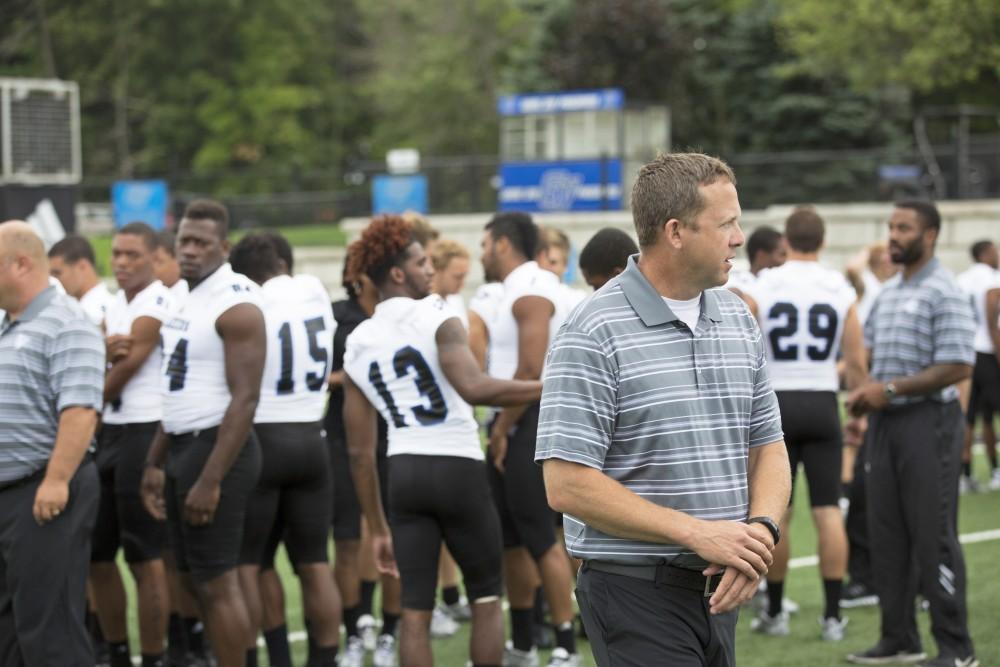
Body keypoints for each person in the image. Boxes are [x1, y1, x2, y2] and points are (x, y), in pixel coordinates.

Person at [536, 153, 791, 667]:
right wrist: (698, 532)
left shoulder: (736, 316)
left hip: (720, 588)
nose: (739, 237)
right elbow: (565, 483)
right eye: (726, 224)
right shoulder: (592, 330)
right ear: (676, 232)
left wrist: (758, 534)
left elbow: (767, 444)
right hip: (634, 592)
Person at [341, 214, 542, 667]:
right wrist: (552, 385)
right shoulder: (436, 312)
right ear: (397, 272)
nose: (429, 269)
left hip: (404, 470)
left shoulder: (359, 340)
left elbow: (358, 453)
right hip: (456, 465)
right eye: (419, 261)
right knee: (487, 597)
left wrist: (376, 526)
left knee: (414, 608)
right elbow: (474, 388)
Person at [845, 201, 978, 667]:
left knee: (932, 536)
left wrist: (890, 389)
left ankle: (957, 649)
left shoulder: (946, 290)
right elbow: (879, 359)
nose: (894, 236)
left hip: (929, 424)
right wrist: (865, 396)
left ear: (931, 235)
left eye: (904, 228)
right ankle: (899, 637)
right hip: (886, 426)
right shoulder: (891, 291)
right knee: (887, 534)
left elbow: (959, 364)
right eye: (891, 227)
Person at [138, 200, 266, 667]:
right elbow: (176, 387)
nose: (189, 251)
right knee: (191, 579)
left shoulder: (236, 301)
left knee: (217, 582)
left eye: (200, 243)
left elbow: (245, 399)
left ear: (223, 247)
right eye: (184, 241)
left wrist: (212, 478)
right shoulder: (182, 295)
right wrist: (155, 460)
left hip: (217, 448)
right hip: (181, 444)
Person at [743, 207, 866, 641]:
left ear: (787, 241)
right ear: (824, 240)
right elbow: (855, 360)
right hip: (820, 400)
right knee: (828, 510)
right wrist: (858, 409)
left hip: (776, 402)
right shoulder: (838, 286)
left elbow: (743, 337)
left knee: (778, 513)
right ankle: (832, 617)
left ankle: (774, 611)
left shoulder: (763, 283)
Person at [0, 221, 104, 666]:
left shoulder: (66, 322)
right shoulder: (8, 324)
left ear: (20, 264)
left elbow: (80, 410)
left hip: (44, 491)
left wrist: (57, 480)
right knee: (11, 629)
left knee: (50, 629)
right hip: (12, 493)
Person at [479, 212, 580, 667]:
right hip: (517, 418)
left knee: (540, 537)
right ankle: (522, 642)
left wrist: (502, 428)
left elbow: (529, 368)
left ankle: (564, 642)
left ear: (502, 244)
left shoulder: (532, 287)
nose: (481, 253)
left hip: (531, 419)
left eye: (485, 244)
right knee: (511, 540)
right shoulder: (516, 288)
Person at [91, 222, 174, 667]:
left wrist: (86, 393)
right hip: (110, 430)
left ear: (154, 257)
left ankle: (156, 655)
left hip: (144, 429)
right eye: (117, 254)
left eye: (132, 255)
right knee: (97, 554)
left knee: (145, 554)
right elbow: (102, 353)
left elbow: (129, 363)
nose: (121, 262)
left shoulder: (159, 298)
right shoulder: (113, 303)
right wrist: (99, 351)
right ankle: (117, 651)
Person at [324, 249, 393, 667]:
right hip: (342, 439)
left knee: (392, 538)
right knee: (347, 540)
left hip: (394, 437)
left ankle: (388, 631)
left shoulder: (399, 316)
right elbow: (315, 374)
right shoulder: (334, 316)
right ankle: (353, 630)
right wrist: (352, 373)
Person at [955, 240, 1000, 492]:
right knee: (991, 415)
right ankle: (995, 470)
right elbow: (992, 319)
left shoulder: (962, 279)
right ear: (984, 254)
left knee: (969, 417)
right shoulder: (991, 278)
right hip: (987, 351)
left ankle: (966, 474)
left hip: (967, 353)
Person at [48, 234, 115, 326]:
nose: (52, 280)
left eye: (57, 273)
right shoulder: (72, 308)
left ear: (83, 267)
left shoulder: (99, 313)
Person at [726, 225, 786, 295]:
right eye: (782, 254)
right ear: (761, 256)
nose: (787, 260)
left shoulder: (786, 284)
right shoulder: (733, 286)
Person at [152, 229, 190, 301]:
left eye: (159, 261)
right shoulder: (146, 295)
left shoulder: (188, 296)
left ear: (177, 261)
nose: (152, 268)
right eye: (150, 262)